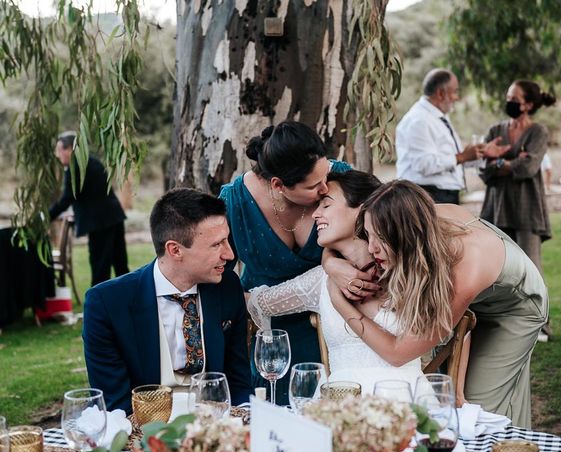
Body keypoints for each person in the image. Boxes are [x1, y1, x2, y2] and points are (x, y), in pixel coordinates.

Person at [327, 180, 547, 428]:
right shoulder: (412, 216)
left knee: (478, 409)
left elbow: (398, 353)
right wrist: (331, 264)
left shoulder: (465, 270)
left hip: (514, 308)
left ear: (407, 235)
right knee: (446, 400)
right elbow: (334, 242)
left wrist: (343, 304)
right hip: (475, 295)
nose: (371, 248)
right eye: (369, 235)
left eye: (381, 239)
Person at [247, 171, 429, 394]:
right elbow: (259, 303)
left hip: (411, 402)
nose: (315, 215)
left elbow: (459, 319)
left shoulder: (413, 269)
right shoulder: (321, 280)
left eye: (325, 205)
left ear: (362, 210)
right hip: (341, 406)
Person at [83, 188, 252, 413]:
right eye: (216, 245)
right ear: (175, 250)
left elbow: (238, 383)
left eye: (226, 241)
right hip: (144, 433)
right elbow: (115, 405)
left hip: (216, 427)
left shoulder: (227, 286)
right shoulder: (106, 304)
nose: (229, 254)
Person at [219, 121, 351, 405]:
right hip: (269, 329)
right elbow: (216, 271)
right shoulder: (235, 202)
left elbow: (371, 241)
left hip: (333, 319)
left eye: (325, 175)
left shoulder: (342, 179)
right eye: (313, 186)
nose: (325, 188)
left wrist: (332, 263)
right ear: (278, 185)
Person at [480, 79, 555, 275]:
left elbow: (528, 167)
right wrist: (511, 163)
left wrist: (498, 162)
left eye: (514, 98)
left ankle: (535, 307)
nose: (508, 102)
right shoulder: (495, 131)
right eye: (507, 98)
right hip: (496, 210)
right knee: (498, 273)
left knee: (529, 273)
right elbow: (483, 171)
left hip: (527, 211)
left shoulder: (538, 132)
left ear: (528, 105)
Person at [395, 68, 495, 204]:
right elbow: (423, 164)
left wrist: (480, 154)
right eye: (455, 91)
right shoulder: (419, 121)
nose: (457, 97)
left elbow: (450, 159)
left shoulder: (438, 117)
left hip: (441, 195)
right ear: (441, 93)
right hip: (428, 196)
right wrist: (463, 156)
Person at [49, 131, 129, 286]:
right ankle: (129, 304)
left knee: (100, 267)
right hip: (113, 217)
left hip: (100, 224)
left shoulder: (75, 166)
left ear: (70, 149)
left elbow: (67, 198)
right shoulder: (91, 161)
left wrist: (46, 217)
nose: (58, 155)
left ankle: (99, 307)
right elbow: (91, 195)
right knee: (120, 264)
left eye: (59, 150)